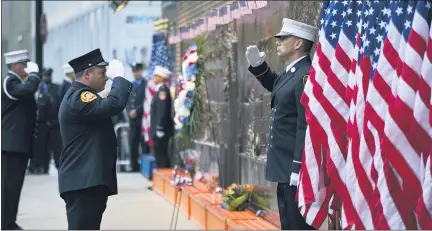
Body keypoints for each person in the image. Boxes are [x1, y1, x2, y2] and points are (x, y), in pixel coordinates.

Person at [246, 18, 317, 230]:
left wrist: (298, 167)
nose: (278, 42)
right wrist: (259, 66)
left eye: (283, 38)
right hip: (284, 168)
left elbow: (305, 125)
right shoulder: (292, 72)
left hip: (294, 168)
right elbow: (277, 87)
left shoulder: (305, 75)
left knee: (297, 225)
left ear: (298, 44)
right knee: (288, 223)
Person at [58, 48, 132, 230]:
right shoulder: (79, 96)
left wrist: (110, 89)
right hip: (83, 182)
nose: (106, 77)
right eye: (102, 73)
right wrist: (119, 79)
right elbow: (112, 105)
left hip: (86, 181)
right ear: (87, 74)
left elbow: (102, 102)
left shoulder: (79, 95)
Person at [1, 50, 41, 230]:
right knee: (8, 187)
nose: (26, 66)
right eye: (24, 63)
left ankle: (9, 221)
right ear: (16, 65)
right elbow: (28, 89)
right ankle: (5, 223)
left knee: (14, 186)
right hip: (11, 145)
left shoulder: (16, 82)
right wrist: (34, 74)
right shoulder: (10, 82)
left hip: (17, 145)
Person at [126, 63, 149, 172]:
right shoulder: (131, 85)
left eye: (137, 71)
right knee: (133, 143)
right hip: (132, 120)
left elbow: (146, 101)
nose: (135, 73)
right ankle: (133, 166)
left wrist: (137, 111)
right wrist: (129, 111)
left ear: (141, 71)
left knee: (144, 144)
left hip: (142, 119)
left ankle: (145, 167)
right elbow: (127, 101)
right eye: (134, 71)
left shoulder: (146, 85)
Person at [150, 65, 174, 169]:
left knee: (162, 156)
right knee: (159, 156)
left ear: (161, 77)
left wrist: (160, 127)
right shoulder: (159, 90)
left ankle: (164, 181)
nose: (153, 78)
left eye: (156, 76)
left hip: (161, 130)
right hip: (158, 130)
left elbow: (162, 110)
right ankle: (160, 181)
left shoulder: (162, 90)